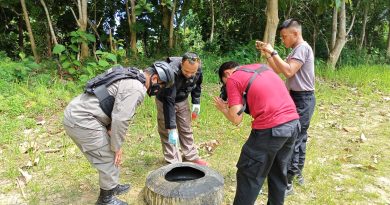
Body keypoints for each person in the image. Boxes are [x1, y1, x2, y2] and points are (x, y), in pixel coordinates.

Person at [63, 62, 175, 205]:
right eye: (162, 85)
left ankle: (112, 187)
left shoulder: (131, 74)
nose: (160, 90)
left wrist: (111, 132)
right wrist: (117, 147)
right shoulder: (137, 88)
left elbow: (109, 99)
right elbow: (121, 119)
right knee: (109, 156)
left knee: (110, 151)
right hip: (82, 119)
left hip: (82, 113)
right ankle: (106, 200)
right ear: (154, 79)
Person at [214, 61, 300, 205]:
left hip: (271, 129)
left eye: (224, 83)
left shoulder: (233, 79)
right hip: (293, 124)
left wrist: (223, 109)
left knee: (249, 175)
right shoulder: (262, 67)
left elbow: (236, 118)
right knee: (278, 173)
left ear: (227, 74)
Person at [256, 18, 316, 195]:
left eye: (284, 37)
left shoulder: (303, 48)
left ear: (295, 33)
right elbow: (278, 70)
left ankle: (288, 182)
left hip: (303, 99)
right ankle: (296, 174)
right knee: (297, 137)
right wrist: (268, 53)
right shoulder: (295, 50)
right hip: (295, 97)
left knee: (294, 139)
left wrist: (273, 51)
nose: (283, 40)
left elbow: (289, 71)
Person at [155, 52, 208, 165]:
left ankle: (191, 156)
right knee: (167, 132)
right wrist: (171, 127)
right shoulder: (172, 72)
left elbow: (197, 86)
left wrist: (196, 102)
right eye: (186, 71)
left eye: (192, 72)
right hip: (165, 100)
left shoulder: (197, 69)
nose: (189, 74)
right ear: (181, 64)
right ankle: (173, 161)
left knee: (186, 127)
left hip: (182, 99)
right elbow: (169, 99)